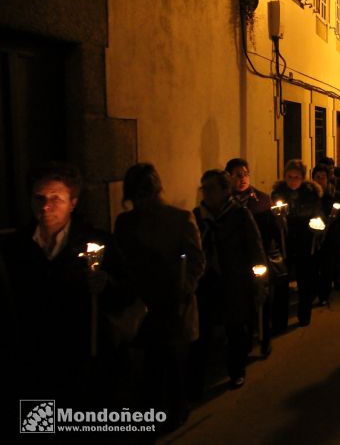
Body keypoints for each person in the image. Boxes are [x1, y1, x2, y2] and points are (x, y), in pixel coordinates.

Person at [4, 163, 129, 408]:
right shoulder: (16, 247)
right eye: (38, 198)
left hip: (83, 357)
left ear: (73, 202)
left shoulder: (97, 242)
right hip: (34, 360)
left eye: (55, 198)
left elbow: (126, 291)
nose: (45, 206)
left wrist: (107, 284)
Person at [114, 163, 205, 430]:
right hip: (142, 302)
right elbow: (120, 261)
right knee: (149, 365)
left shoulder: (180, 218)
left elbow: (196, 262)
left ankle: (174, 411)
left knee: (172, 364)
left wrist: (182, 289)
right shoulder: (126, 223)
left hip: (172, 304)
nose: (141, 201)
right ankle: (152, 413)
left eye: (145, 193)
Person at [190, 170, 268, 394]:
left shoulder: (240, 215)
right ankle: (196, 380)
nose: (206, 193)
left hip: (234, 281)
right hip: (206, 283)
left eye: (211, 188)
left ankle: (237, 371)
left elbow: (254, 248)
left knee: (236, 329)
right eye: (203, 188)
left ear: (225, 190)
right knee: (201, 332)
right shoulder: (198, 216)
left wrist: (259, 280)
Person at [225, 157, 285, 344]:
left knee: (264, 296)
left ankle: (265, 335)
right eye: (238, 175)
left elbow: (274, 231)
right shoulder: (226, 202)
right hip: (236, 260)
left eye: (246, 174)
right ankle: (247, 334)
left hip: (260, 256)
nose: (243, 179)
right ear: (229, 177)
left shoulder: (262, 200)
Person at [272, 159, 323, 326]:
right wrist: (277, 220)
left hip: (304, 241)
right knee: (281, 282)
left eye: (296, 177)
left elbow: (318, 216)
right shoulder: (278, 193)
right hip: (284, 242)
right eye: (289, 176)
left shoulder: (311, 193)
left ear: (303, 177)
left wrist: (316, 226)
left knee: (304, 281)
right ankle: (280, 319)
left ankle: (304, 315)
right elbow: (272, 216)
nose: (293, 180)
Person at [312, 165, 340, 305]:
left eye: (323, 177)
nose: (320, 180)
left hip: (330, 235)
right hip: (313, 237)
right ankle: (314, 291)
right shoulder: (309, 194)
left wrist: (335, 216)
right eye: (317, 177)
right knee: (314, 266)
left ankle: (324, 295)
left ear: (328, 179)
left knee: (327, 267)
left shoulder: (334, 194)